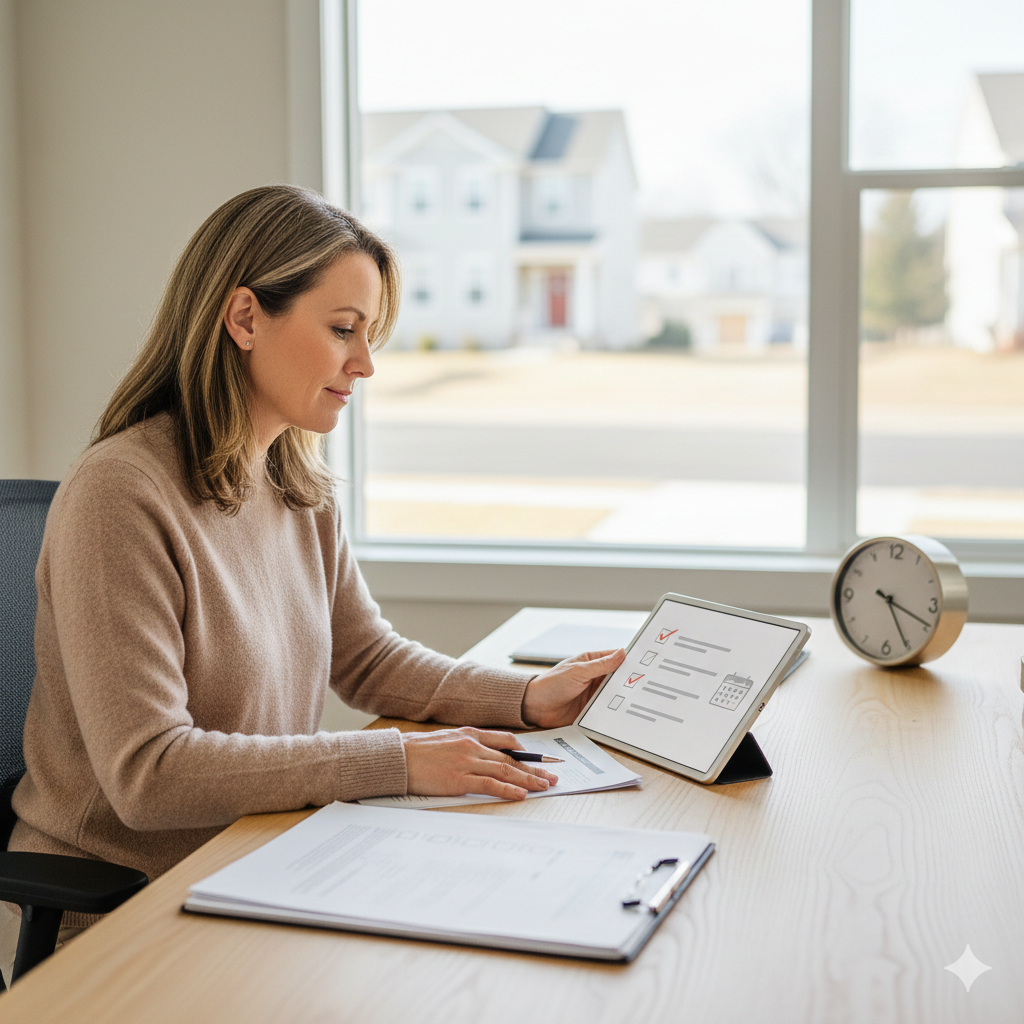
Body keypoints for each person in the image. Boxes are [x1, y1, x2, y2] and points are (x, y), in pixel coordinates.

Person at [0, 185, 624, 980]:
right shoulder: (120, 493)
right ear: (245, 318)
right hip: (119, 915)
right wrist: (397, 761)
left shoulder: (296, 481)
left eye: (368, 335)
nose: (364, 364)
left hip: (257, 866)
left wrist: (529, 698)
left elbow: (367, 660)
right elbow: (148, 774)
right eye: (342, 330)